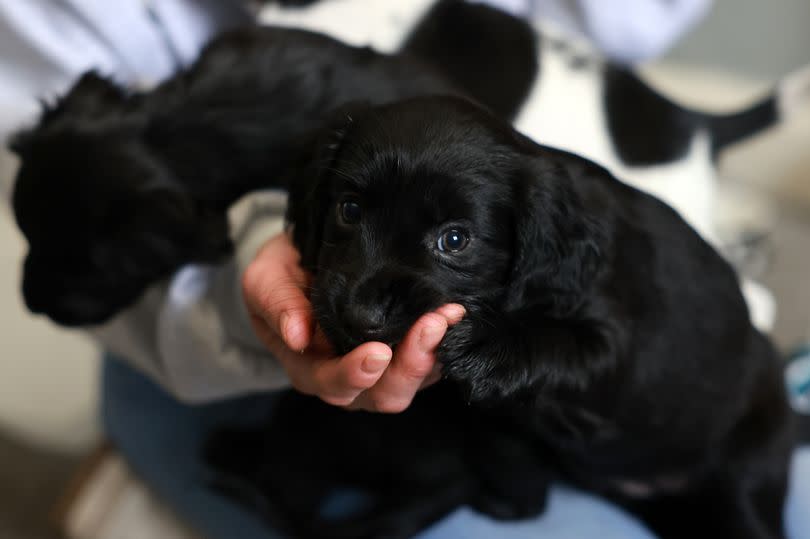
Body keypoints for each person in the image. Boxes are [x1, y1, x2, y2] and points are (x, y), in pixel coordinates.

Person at [2, 1, 807, 538]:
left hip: (689, 423)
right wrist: (259, 260)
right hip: (209, 359)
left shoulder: (551, 223)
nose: (361, 280)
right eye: (347, 217)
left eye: (450, 241)